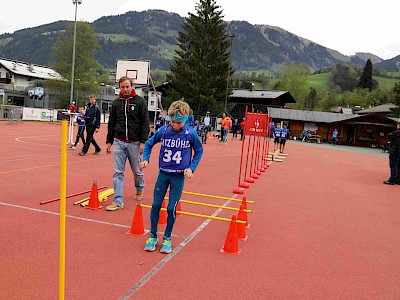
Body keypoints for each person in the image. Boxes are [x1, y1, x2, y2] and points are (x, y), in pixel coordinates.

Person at [140, 100, 203, 253]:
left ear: (185, 120)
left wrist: (191, 168)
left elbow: (199, 151)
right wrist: (146, 158)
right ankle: (153, 235)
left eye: (178, 123)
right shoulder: (164, 130)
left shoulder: (190, 134)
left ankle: (167, 237)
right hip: (163, 173)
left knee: (171, 208)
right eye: (173, 122)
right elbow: (149, 143)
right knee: (155, 205)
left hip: (178, 176)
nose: (175, 126)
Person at [105, 76, 150, 211]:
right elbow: (111, 123)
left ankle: (139, 187)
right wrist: (109, 141)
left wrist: (143, 142)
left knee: (137, 171)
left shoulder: (140, 102)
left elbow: (145, 123)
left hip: (135, 143)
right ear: (119, 88)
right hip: (119, 141)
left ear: (132, 87)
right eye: (122, 87)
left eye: (127, 86)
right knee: (118, 172)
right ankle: (118, 201)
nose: (125, 89)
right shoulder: (116, 103)